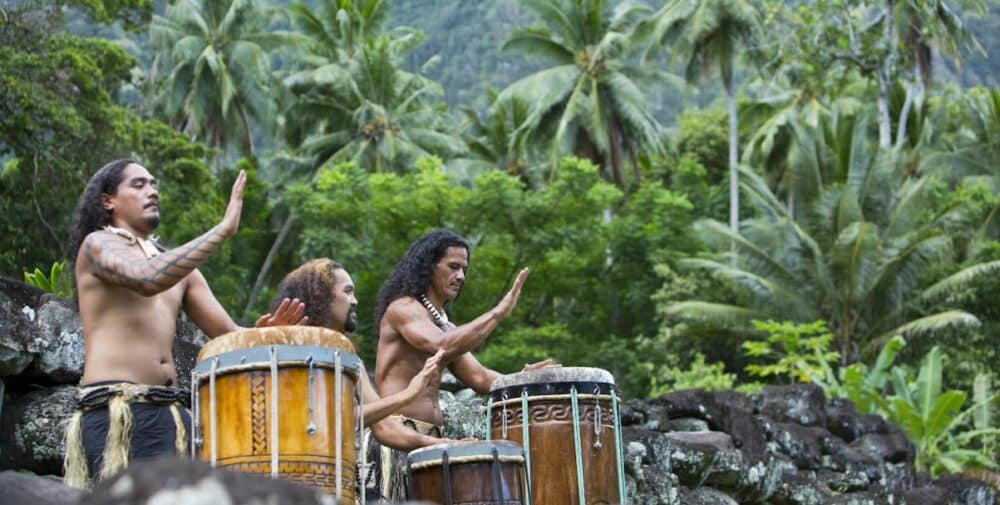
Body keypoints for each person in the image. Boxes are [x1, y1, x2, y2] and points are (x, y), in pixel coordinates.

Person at [63, 159, 305, 488]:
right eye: (138, 185)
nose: (152, 191)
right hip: (116, 413)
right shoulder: (97, 246)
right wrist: (222, 230)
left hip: (172, 416)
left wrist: (271, 332)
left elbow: (230, 335)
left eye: (153, 184)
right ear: (108, 201)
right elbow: (147, 279)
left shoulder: (181, 271)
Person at [370, 229, 553, 501]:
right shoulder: (403, 309)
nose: (461, 277)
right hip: (395, 438)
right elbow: (442, 345)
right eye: (453, 267)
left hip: (434, 441)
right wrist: (499, 312)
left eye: (464, 269)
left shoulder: (445, 325)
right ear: (429, 267)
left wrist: (520, 380)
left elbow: (479, 377)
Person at [273, 259, 451, 501]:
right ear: (322, 296)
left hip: (338, 482)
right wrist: (406, 395)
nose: (355, 301)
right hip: (294, 479)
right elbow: (332, 420)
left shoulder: (350, 358)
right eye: (347, 291)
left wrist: (440, 444)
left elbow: (384, 427)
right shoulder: (291, 348)